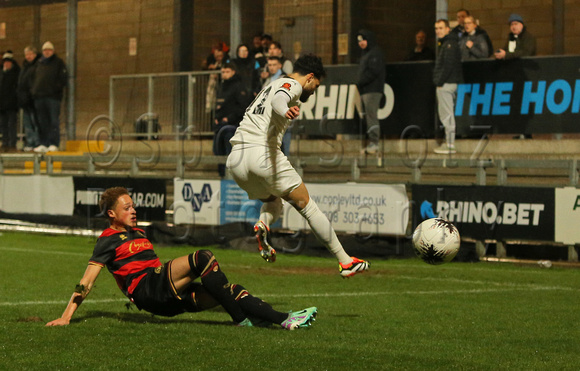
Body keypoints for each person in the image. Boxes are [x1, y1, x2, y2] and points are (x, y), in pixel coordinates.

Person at [46, 187, 317, 330]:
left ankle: (285, 319)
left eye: (133, 206)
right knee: (203, 258)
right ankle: (239, 319)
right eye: (126, 207)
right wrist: (67, 316)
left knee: (234, 291)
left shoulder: (138, 231)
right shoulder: (107, 240)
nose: (133, 210)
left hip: (165, 298)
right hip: (147, 289)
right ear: (112, 215)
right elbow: (87, 281)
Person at [226, 54, 370, 278]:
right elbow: (279, 100)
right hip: (261, 153)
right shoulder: (291, 84)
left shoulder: (268, 86)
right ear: (310, 77)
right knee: (307, 205)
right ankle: (345, 261)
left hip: (236, 160)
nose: (313, 91)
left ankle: (263, 224)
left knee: (274, 201)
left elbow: (273, 99)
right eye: (316, 86)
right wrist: (286, 110)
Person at [31, 41, 67, 153]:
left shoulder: (59, 63)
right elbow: (33, 78)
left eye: (49, 50)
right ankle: (43, 143)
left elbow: (62, 79)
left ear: (53, 51)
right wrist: (34, 91)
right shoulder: (39, 63)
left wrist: (55, 89)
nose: (47, 52)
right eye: (45, 50)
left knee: (53, 121)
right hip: (39, 97)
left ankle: (54, 143)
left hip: (52, 98)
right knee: (42, 122)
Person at [213, 63, 249, 176]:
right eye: (222, 72)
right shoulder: (221, 86)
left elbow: (242, 107)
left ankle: (231, 176)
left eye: (227, 72)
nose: (224, 74)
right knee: (218, 150)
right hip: (220, 126)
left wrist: (229, 118)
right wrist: (216, 117)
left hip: (232, 127)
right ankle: (222, 174)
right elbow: (219, 105)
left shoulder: (238, 86)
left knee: (231, 153)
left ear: (233, 72)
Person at [433, 19, 462, 155]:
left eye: (441, 28)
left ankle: (450, 144)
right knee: (447, 114)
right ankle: (448, 142)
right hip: (448, 83)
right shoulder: (447, 43)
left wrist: (440, 82)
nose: (438, 30)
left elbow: (448, 66)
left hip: (447, 83)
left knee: (447, 114)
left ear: (447, 29)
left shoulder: (449, 44)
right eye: (436, 28)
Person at [356, 29, 386, 155]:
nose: (361, 43)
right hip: (366, 90)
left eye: (363, 40)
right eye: (359, 41)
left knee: (371, 116)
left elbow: (373, 72)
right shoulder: (366, 54)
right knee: (369, 116)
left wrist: (360, 81)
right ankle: (372, 142)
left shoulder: (375, 53)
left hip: (372, 90)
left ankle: (374, 143)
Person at [18, 46, 41, 152]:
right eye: (27, 54)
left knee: (35, 121)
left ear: (35, 54)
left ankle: (37, 142)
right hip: (24, 100)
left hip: (33, 99)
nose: (28, 56)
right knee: (27, 124)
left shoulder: (38, 65)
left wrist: (33, 93)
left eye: (30, 54)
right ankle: (30, 142)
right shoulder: (25, 67)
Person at [0, 51, 20, 153]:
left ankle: (12, 142)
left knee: (11, 124)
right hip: (2, 104)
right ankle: (5, 142)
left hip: (12, 103)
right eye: (5, 62)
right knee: (3, 124)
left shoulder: (16, 73)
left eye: (8, 62)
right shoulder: (1, 73)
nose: (6, 64)